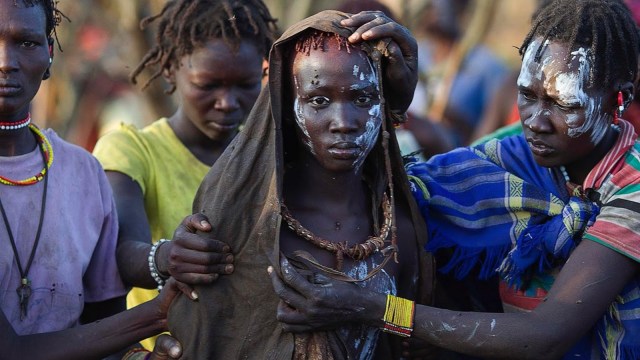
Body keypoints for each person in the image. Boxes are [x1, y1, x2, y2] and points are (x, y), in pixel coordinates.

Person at [269, 0, 640, 358]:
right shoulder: (506, 156)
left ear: (618, 99)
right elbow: (387, 193)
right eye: (527, 95)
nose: (536, 121)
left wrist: (376, 309)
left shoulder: (633, 185)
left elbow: (543, 337)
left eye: (564, 105)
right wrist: (397, 97)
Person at [167, 10, 434, 359]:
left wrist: (372, 309)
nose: (344, 122)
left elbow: (409, 337)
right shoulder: (247, 221)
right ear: (286, 106)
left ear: (383, 106)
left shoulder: (399, 229)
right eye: (319, 100)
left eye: (362, 99)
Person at [92, 0, 278, 350]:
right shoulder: (132, 149)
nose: (227, 102)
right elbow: (120, 253)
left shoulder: (271, 159)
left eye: (246, 84)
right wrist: (166, 257)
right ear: (170, 70)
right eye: (208, 85)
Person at [0, 1, 131, 356]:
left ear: (48, 58)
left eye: (25, 42)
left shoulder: (84, 173)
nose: (5, 62)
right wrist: (156, 316)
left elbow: (105, 322)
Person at [1, 279, 180, 360]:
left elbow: (101, 312)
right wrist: (157, 314)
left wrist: (140, 358)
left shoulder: (94, 202)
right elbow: (10, 352)